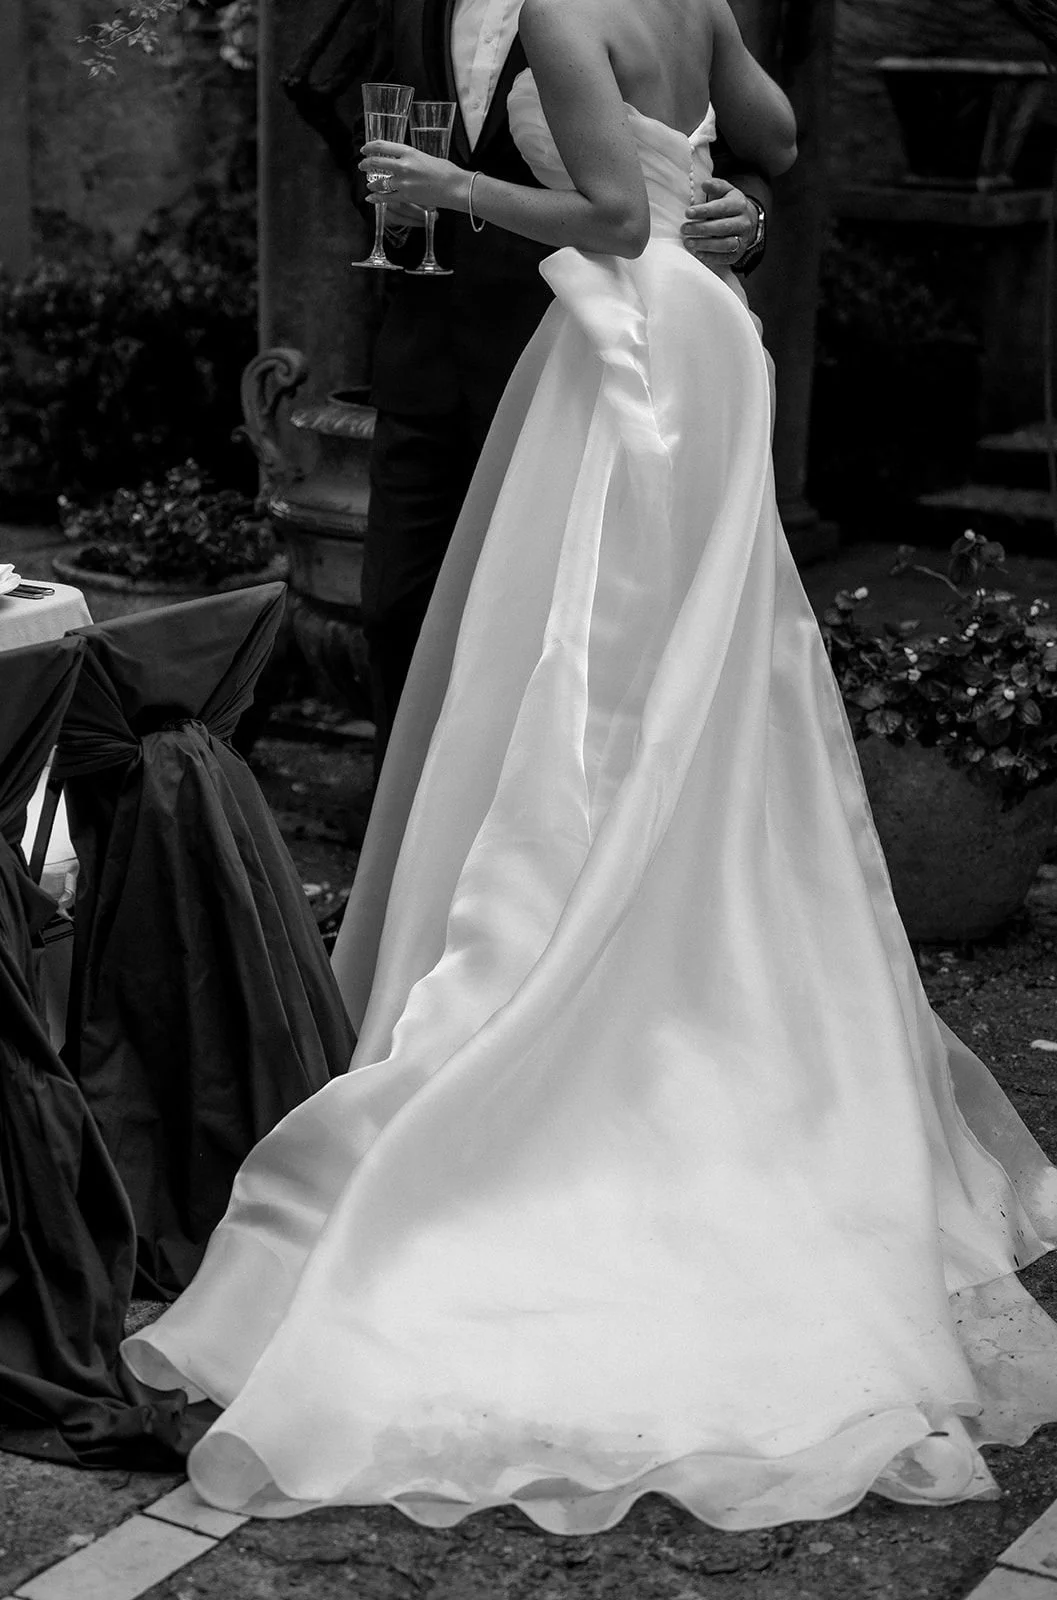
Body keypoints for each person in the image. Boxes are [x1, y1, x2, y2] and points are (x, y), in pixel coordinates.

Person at [124, 0, 1057, 1530]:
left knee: (582, 658)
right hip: (702, 339)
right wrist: (714, 196)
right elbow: (775, 138)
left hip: (613, 329)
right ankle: (691, 926)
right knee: (683, 668)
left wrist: (452, 194)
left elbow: (613, 213)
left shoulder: (564, 4)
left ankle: (580, 944)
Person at [359, 0, 773, 771]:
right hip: (425, 352)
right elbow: (372, 129)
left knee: (548, 632)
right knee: (395, 613)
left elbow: (757, 144)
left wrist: (747, 217)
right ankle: (400, 879)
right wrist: (397, 210)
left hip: (576, 353)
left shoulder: (594, 10)